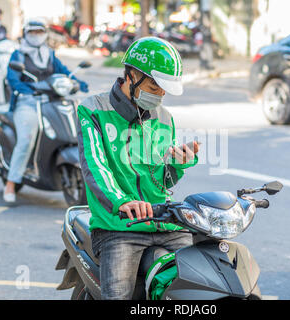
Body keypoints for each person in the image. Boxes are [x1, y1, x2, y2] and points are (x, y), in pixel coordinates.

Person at [76, 37, 200, 299]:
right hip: (119, 227)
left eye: (164, 88)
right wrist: (121, 201)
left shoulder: (164, 117)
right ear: (131, 74)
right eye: (155, 85)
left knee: (200, 282)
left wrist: (178, 163)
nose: (161, 94)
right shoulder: (93, 110)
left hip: (165, 225)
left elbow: (162, 183)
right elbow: (95, 165)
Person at [3, 19, 89, 203]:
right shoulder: (18, 55)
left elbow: (64, 71)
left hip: (51, 101)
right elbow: (12, 79)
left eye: (39, 32)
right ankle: (11, 182)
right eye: (32, 32)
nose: (36, 35)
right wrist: (29, 89)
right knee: (26, 138)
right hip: (28, 103)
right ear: (25, 34)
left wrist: (78, 83)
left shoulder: (49, 54)